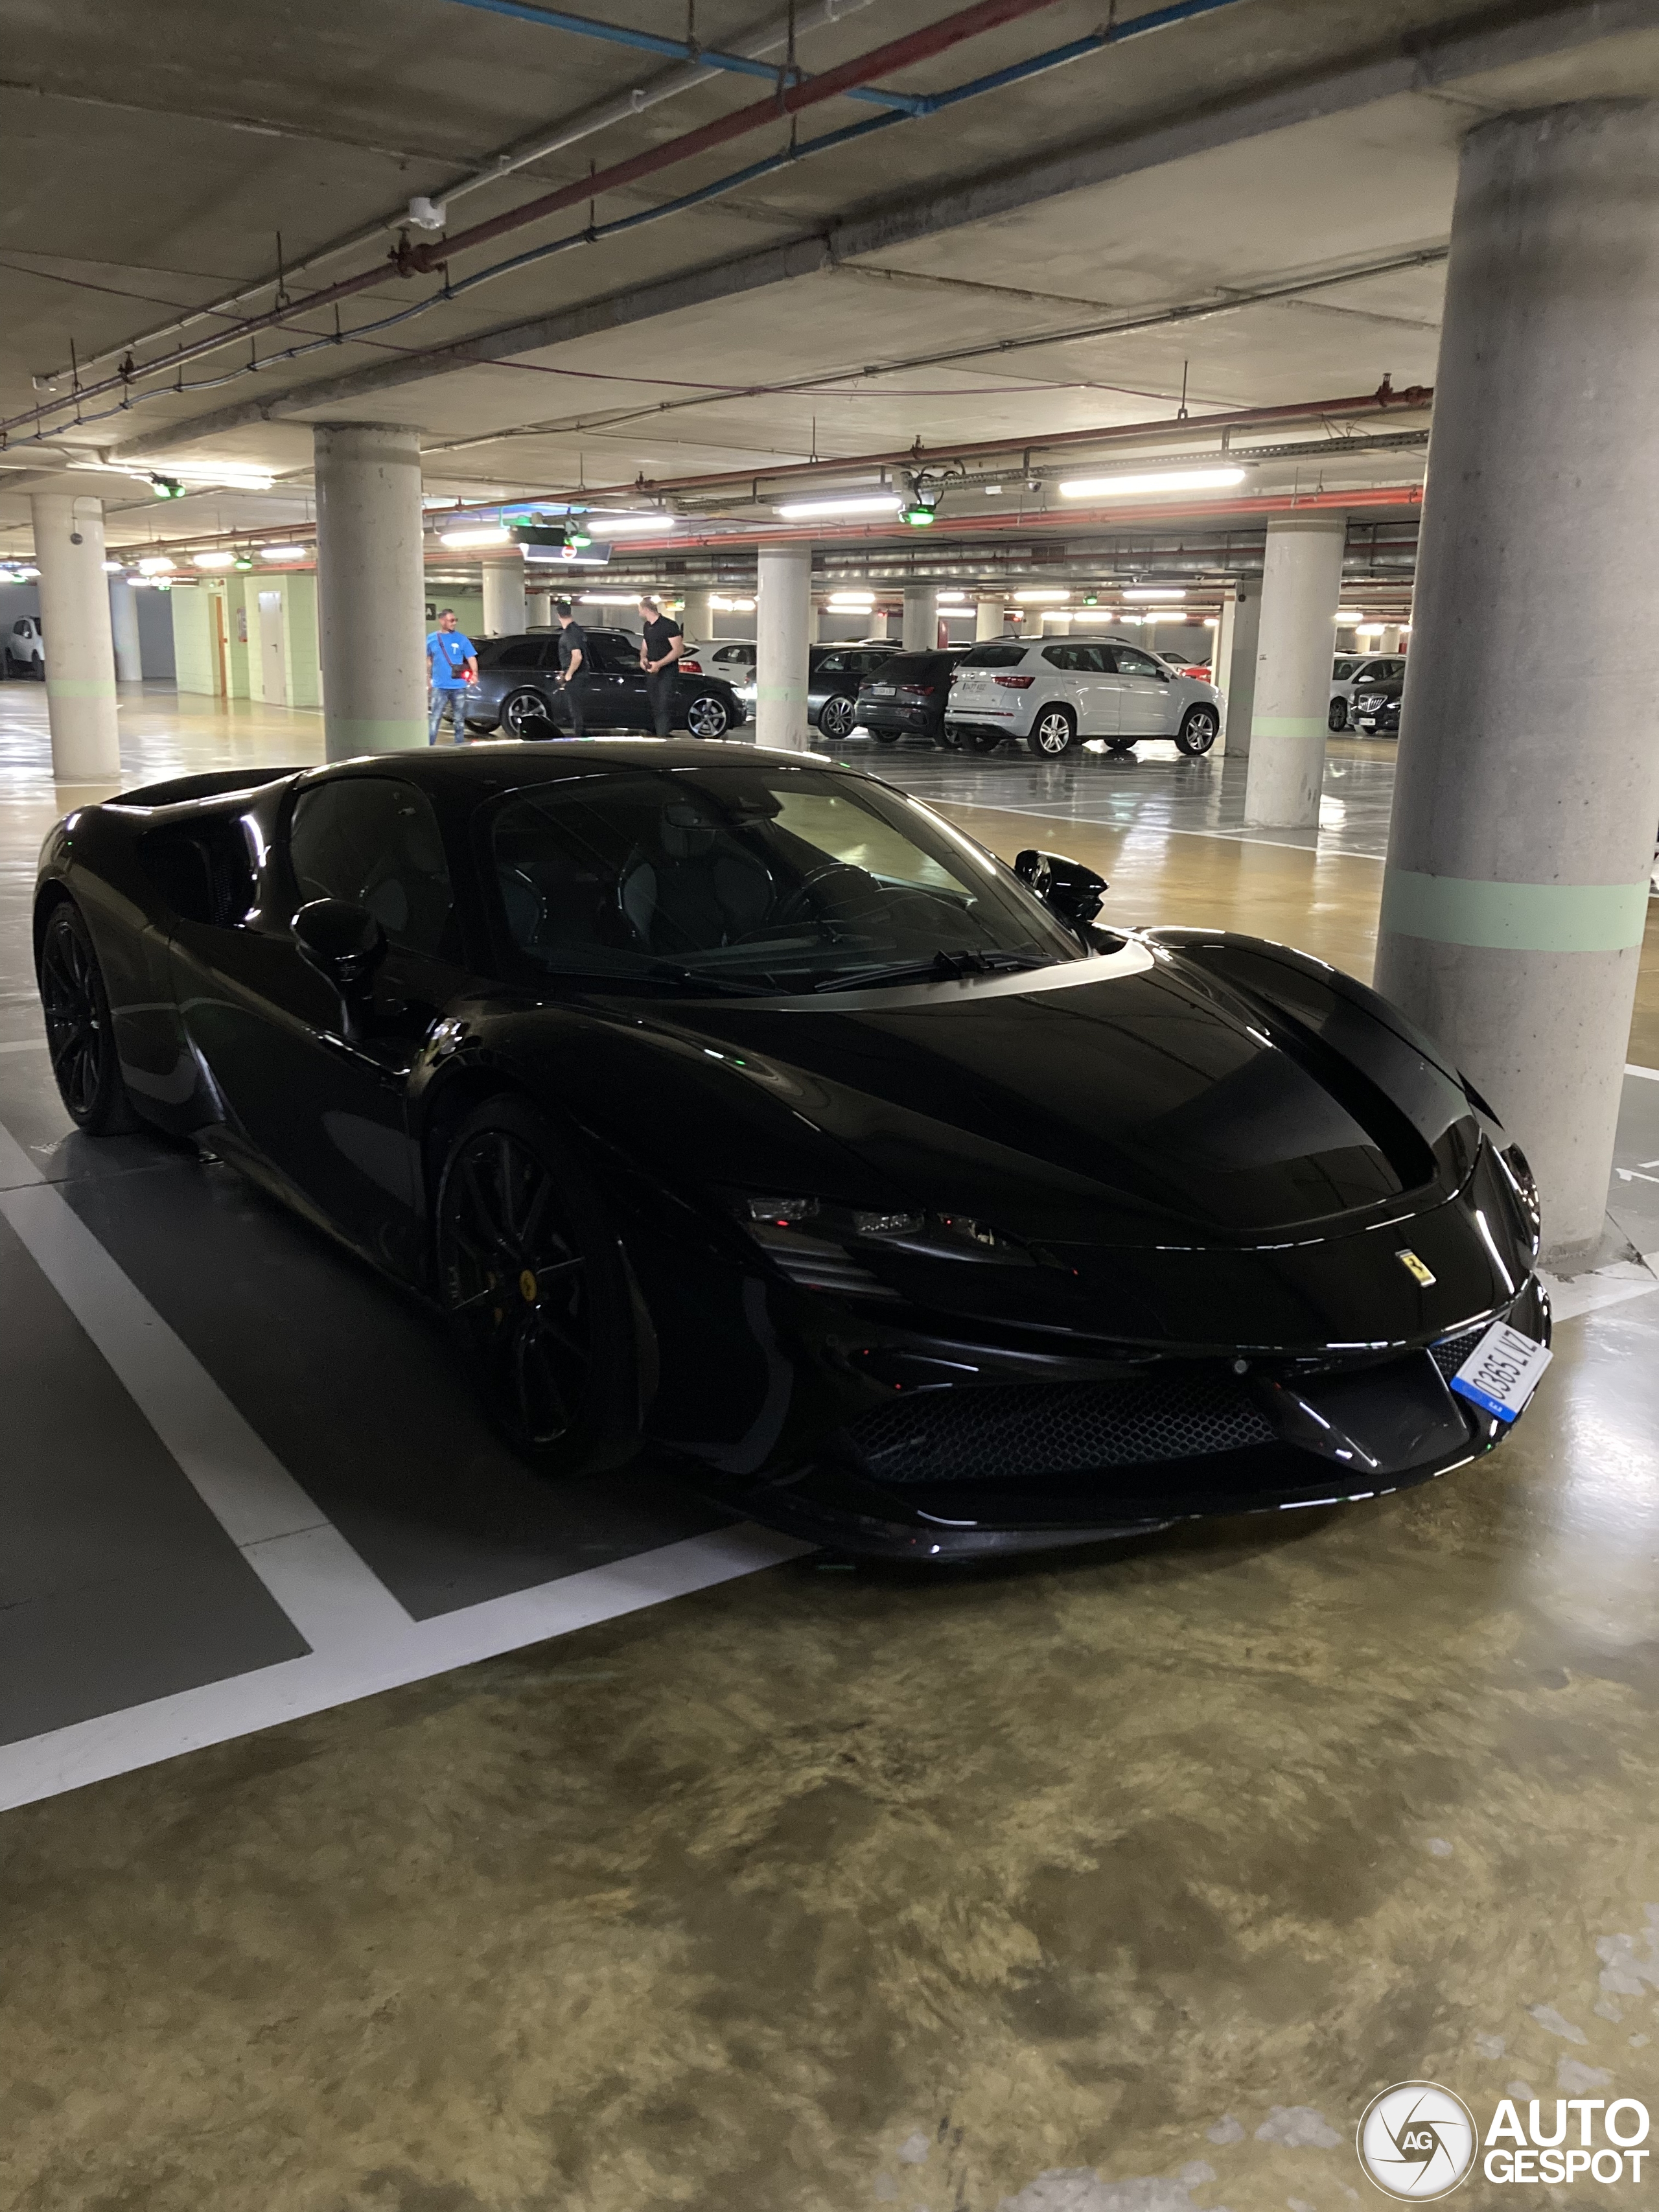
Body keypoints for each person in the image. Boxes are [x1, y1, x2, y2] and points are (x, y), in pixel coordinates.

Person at [426, 609, 476, 744]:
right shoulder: (431, 639)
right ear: (442, 621)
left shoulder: (461, 638)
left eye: (455, 620)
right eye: (451, 620)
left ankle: (459, 747)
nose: (454, 623)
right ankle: (429, 747)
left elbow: (471, 657)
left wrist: (475, 674)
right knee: (435, 718)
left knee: (459, 720)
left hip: (459, 686)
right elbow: (428, 659)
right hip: (439, 686)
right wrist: (428, 678)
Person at [638, 596, 686, 737]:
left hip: (667, 672)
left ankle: (663, 736)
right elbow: (645, 646)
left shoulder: (669, 625)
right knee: (655, 705)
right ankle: (659, 733)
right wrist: (643, 659)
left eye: (640, 609)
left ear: (646, 609)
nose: (639, 613)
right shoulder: (647, 626)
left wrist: (659, 664)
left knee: (664, 704)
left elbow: (678, 650)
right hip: (652, 671)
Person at [555, 600, 588, 737]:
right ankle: (582, 736)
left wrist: (568, 674)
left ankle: (580, 738)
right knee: (578, 709)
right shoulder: (578, 630)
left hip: (576, 678)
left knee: (576, 711)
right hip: (583, 675)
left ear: (558, 616)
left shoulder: (569, 634)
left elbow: (577, 656)